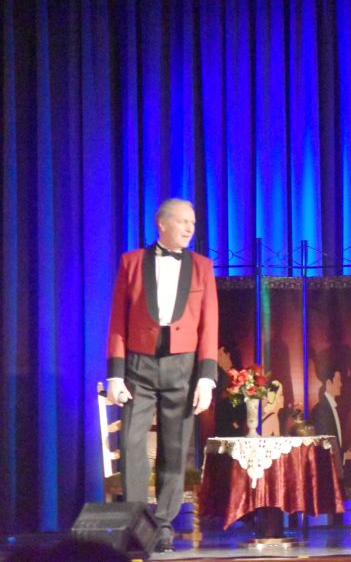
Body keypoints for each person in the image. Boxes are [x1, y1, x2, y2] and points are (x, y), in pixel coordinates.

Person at [105, 198, 218, 552]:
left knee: (175, 447)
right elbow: (118, 320)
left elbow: (209, 323)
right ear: (162, 223)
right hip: (139, 364)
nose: (189, 228)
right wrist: (115, 375)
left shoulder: (202, 266)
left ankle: (165, 525)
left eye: (193, 222)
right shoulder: (132, 262)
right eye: (183, 221)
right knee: (132, 443)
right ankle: (137, 524)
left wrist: (206, 377)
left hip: (182, 365)